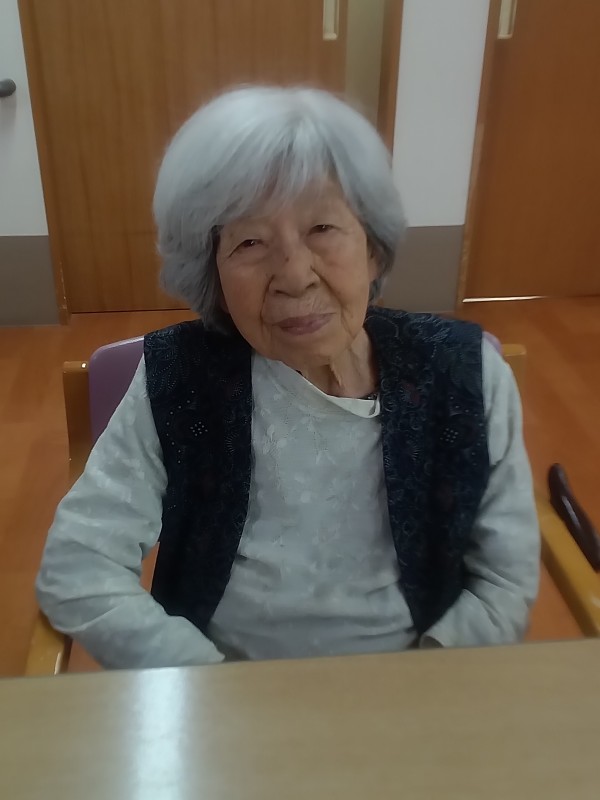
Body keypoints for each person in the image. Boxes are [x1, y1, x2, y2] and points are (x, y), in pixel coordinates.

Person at [36, 86, 539, 669]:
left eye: (322, 227)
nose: (295, 275)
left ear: (373, 250)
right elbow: (79, 566)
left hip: (423, 687)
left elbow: (504, 579)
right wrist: (209, 686)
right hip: (216, 692)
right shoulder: (178, 378)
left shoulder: (464, 372)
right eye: (250, 241)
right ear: (212, 272)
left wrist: (423, 688)